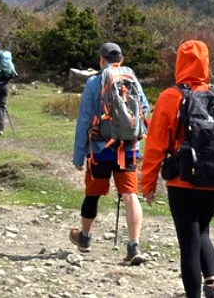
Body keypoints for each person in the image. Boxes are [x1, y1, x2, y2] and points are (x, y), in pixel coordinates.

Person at [141, 40, 214, 298]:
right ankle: (212, 283)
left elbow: (154, 147)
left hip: (183, 182)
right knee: (202, 228)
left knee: (189, 242)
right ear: (206, 62)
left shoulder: (170, 97)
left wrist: (148, 185)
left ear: (179, 64)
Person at [69, 42, 150, 266]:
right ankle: (134, 245)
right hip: (129, 149)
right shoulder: (131, 78)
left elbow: (85, 118)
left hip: (100, 150)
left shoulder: (94, 81)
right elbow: (144, 110)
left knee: (93, 194)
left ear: (101, 60)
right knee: (130, 194)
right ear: (120, 60)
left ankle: (84, 238)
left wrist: (78, 155)